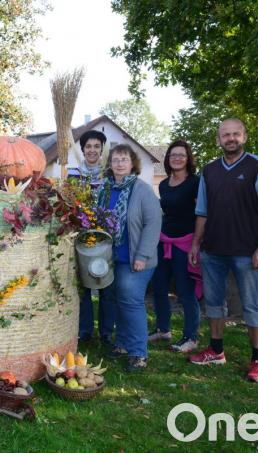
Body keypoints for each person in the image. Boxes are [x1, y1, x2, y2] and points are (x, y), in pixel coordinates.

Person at [187, 118, 258, 384]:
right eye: (225, 134)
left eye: (236, 134)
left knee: (252, 305)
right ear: (218, 139)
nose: (231, 138)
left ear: (244, 137)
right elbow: (202, 212)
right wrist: (195, 243)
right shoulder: (210, 171)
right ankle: (216, 351)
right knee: (214, 303)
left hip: (246, 251)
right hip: (212, 249)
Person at [96, 144, 162, 372]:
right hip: (110, 257)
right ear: (110, 164)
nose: (120, 164)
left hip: (136, 257)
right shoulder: (105, 189)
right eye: (115, 160)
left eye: (124, 159)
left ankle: (138, 353)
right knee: (118, 299)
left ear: (132, 163)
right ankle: (123, 343)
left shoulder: (142, 190)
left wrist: (142, 255)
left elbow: (153, 224)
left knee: (131, 301)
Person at [149, 140, 202, 353]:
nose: (177, 158)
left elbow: (201, 214)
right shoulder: (163, 184)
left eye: (181, 155)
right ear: (168, 159)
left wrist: (196, 244)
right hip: (164, 240)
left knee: (185, 290)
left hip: (186, 243)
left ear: (188, 158)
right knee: (159, 286)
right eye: (173, 155)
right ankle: (163, 329)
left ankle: (191, 337)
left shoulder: (195, 182)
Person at [68, 130, 114, 345]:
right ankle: (85, 330)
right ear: (83, 149)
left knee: (106, 284)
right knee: (84, 286)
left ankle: (106, 332)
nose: (92, 150)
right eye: (89, 146)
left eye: (97, 146)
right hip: (81, 234)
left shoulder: (110, 175)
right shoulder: (74, 174)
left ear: (102, 149)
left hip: (105, 236)